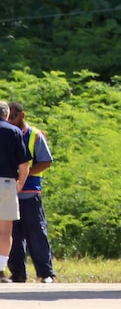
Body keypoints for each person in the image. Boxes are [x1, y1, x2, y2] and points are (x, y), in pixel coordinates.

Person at [7, 103, 56, 283]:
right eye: (7, 117)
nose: (10, 121)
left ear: (22, 115)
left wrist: (25, 174)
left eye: (13, 117)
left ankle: (46, 273)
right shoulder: (7, 134)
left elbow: (46, 162)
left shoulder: (35, 135)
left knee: (37, 233)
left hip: (30, 192)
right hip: (9, 192)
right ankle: (18, 273)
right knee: (13, 235)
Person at [0, 101, 30, 284]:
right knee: (5, 231)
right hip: (6, 183)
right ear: (7, 114)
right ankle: (0, 270)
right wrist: (19, 184)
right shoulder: (14, 132)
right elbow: (24, 166)